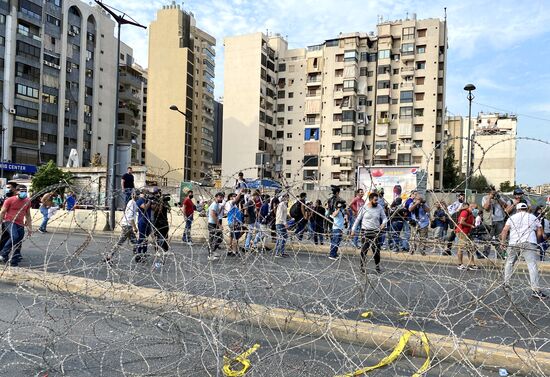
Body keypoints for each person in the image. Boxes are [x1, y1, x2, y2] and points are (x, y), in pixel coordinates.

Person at [501, 203, 547, 299]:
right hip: (529, 242)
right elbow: (539, 231)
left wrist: (503, 242)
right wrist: (537, 241)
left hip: (514, 242)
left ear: (517, 209)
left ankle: (506, 284)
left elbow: (505, 230)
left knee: (509, 262)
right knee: (531, 265)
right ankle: (535, 290)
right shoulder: (532, 217)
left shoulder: (512, 217)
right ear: (527, 209)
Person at [351, 192, 387, 274]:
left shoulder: (379, 207)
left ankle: (377, 266)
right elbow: (357, 220)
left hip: (376, 232)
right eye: (375, 200)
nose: (376, 202)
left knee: (376, 251)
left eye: (377, 200)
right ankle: (362, 267)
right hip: (365, 232)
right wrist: (353, 230)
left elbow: (385, 218)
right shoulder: (364, 208)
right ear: (370, 200)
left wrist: (383, 224)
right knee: (364, 250)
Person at [0, 185, 32, 266]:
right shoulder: (10, 200)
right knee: (15, 236)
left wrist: (29, 227)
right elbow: (3, 212)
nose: (23, 193)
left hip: (20, 223)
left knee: (18, 241)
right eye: (21, 191)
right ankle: (3, 254)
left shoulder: (27, 201)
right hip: (9, 221)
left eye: (25, 191)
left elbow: (28, 214)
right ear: (17, 191)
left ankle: (14, 261)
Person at [105, 189, 139, 263]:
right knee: (121, 242)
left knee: (134, 242)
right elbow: (130, 218)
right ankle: (109, 256)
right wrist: (135, 227)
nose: (138, 196)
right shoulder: (132, 203)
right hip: (127, 226)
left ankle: (137, 256)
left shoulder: (133, 203)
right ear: (133, 195)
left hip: (127, 226)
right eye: (137, 194)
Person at [482, 187, 508, 259]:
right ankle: (485, 255)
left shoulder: (499, 198)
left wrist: (498, 199)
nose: (494, 194)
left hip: (500, 220)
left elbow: (505, 206)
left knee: (499, 239)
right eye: (492, 193)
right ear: (489, 193)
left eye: (495, 193)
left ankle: (500, 255)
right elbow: (486, 207)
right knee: (488, 238)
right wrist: (489, 198)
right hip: (489, 221)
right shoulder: (485, 198)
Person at [456, 203, 478, 270]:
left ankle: (472, 264)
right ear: (471, 207)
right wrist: (470, 226)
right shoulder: (465, 212)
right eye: (475, 208)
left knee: (470, 248)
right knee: (461, 247)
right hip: (462, 232)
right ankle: (460, 264)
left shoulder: (471, 214)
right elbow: (461, 222)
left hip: (468, 232)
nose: (476, 210)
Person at [134, 189, 152, 262]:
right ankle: (138, 253)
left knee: (146, 238)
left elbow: (153, 208)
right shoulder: (139, 200)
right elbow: (145, 207)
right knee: (141, 238)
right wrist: (150, 201)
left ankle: (144, 253)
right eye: (147, 193)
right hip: (142, 221)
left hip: (148, 221)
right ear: (144, 194)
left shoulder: (147, 200)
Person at [0, 182, 18, 251]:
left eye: (9, 187)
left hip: (17, 220)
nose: (7, 189)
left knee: (17, 237)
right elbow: (2, 208)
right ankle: (3, 252)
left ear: (14, 188)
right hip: (7, 220)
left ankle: (16, 253)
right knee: (5, 237)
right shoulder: (6, 197)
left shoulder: (20, 197)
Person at [207, 192, 225, 261]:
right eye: (220, 197)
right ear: (216, 197)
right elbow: (213, 215)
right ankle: (210, 255)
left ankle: (213, 251)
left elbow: (216, 214)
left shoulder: (217, 204)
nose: (221, 199)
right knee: (211, 239)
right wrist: (219, 225)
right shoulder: (214, 204)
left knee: (220, 238)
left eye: (222, 197)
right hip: (212, 224)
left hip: (214, 224)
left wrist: (221, 209)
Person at [151, 188, 170, 253]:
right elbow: (157, 210)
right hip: (157, 221)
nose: (159, 194)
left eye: (160, 192)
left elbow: (169, 208)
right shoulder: (153, 200)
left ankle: (165, 250)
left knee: (165, 237)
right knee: (157, 237)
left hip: (164, 221)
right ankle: (157, 251)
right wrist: (160, 202)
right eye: (158, 192)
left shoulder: (164, 201)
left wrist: (163, 201)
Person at [226, 192, 244, 256]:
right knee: (235, 238)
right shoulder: (230, 203)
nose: (235, 197)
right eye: (233, 196)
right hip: (234, 223)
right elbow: (235, 200)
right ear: (230, 197)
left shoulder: (234, 205)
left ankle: (229, 250)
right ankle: (235, 251)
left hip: (235, 222)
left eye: (235, 196)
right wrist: (240, 192)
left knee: (232, 237)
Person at [274, 193, 290, 258]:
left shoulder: (284, 205)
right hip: (280, 223)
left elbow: (283, 215)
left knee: (281, 238)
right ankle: (278, 253)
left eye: (288, 197)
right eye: (286, 197)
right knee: (283, 238)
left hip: (281, 223)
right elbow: (280, 216)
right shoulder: (281, 205)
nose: (288, 199)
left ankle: (281, 252)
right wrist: (285, 223)